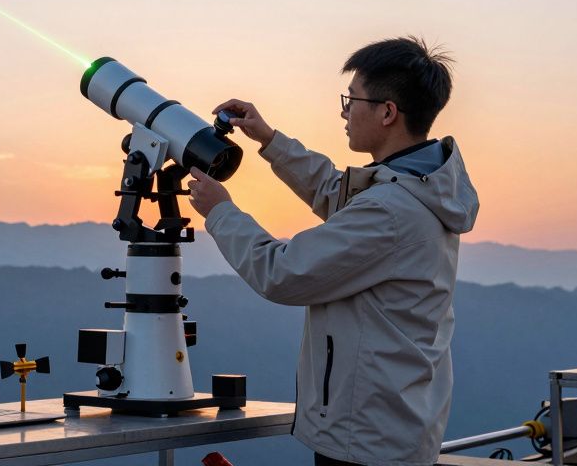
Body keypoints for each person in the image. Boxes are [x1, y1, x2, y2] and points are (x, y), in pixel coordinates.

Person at [186, 36, 480, 466]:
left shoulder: (390, 209)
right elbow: (336, 192)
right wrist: (269, 139)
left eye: (352, 99)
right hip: (391, 426)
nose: (344, 111)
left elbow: (283, 273)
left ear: (387, 112)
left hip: (365, 440)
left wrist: (221, 213)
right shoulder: (416, 186)